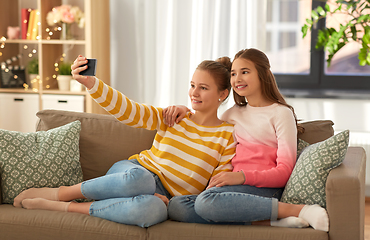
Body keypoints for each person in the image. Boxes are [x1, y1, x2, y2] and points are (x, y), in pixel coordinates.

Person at [12, 55, 237, 228]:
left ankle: (61, 207)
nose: (194, 93)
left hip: (163, 198)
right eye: (192, 85)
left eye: (203, 88)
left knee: (151, 212)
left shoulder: (227, 136)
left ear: (223, 94)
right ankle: (60, 193)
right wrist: (91, 83)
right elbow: (129, 111)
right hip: (131, 175)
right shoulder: (174, 117)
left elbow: (215, 186)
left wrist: (174, 201)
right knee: (142, 180)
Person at [163, 48, 329, 231]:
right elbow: (203, 121)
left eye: (245, 72)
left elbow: (284, 172)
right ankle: (268, 220)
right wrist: (183, 109)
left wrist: (240, 176)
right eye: (233, 73)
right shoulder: (232, 114)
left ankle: (298, 210)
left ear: (263, 74)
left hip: (265, 189)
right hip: (233, 190)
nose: (237, 79)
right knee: (177, 205)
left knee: (206, 203)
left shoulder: (281, 114)